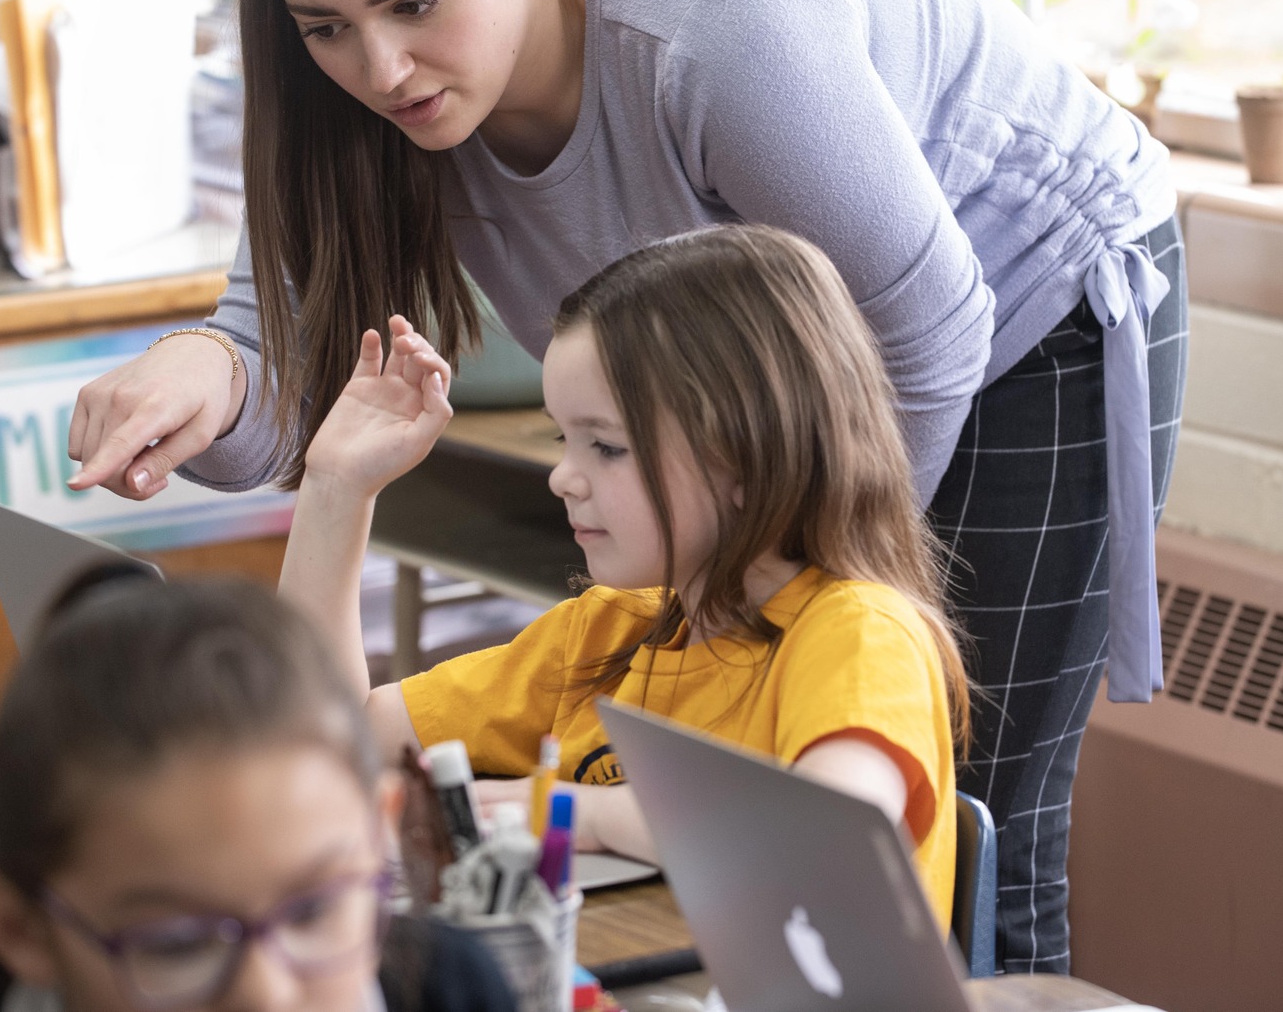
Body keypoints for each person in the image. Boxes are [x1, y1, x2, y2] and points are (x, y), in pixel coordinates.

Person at [67, 0, 1184, 971]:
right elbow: (277, 363)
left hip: (1020, 300)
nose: (378, 70)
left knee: (976, 818)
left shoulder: (722, 23)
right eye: (326, 28)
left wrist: (791, 591)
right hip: (764, 420)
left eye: (414, 3)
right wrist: (200, 368)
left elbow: (922, 327)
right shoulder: (360, 92)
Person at [277, 225, 970, 926]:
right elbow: (330, 738)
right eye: (563, 438)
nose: (562, 476)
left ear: (741, 454)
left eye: (605, 445)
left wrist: (593, 814)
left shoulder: (858, 631)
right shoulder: (605, 630)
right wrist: (335, 488)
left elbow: (828, 845)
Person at [0, 570, 516, 1012]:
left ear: (384, 830)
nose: (265, 994)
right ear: (19, 928)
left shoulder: (452, 990)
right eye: (176, 944)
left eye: (313, 911)